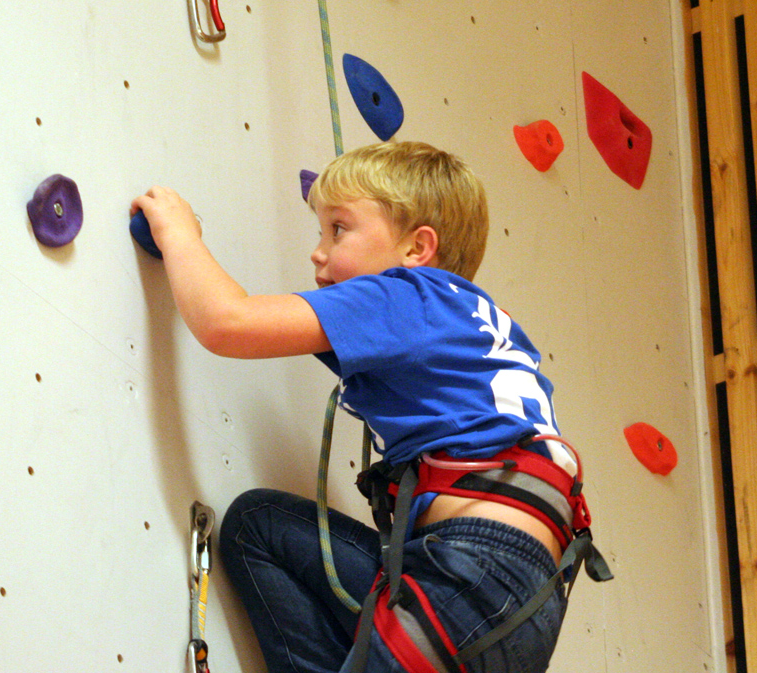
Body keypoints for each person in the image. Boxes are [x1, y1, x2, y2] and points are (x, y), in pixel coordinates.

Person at [131, 141, 591, 673]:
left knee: (261, 527)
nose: (318, 251)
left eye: (338, 229)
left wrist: (178, 234)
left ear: (417, 249)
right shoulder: (467, 321)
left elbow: (226, 323)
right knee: (259, 526)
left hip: (468, 573)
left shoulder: (407, 295)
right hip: (520, 600)